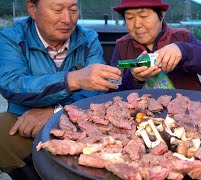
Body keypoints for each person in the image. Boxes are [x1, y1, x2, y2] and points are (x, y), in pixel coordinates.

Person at [0, 0, 122, 178]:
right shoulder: (12, 39)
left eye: (73, 9)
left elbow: (97, 90)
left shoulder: (88, 39)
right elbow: (13, 84)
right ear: (32, 9)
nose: (67, 19)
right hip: (26, 119)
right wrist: (71, 80)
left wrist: (56, 112)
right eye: (57, 9)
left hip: (78, 121)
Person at [111, 0, 201, 91]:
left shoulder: (183, 37)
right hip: (142, 113)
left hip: (187, 111)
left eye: (143, 16)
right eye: (129, 18)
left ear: (161, 14)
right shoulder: (122, 46)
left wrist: (185, 51)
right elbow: (113, 93)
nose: (137, 25)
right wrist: (134, 78)